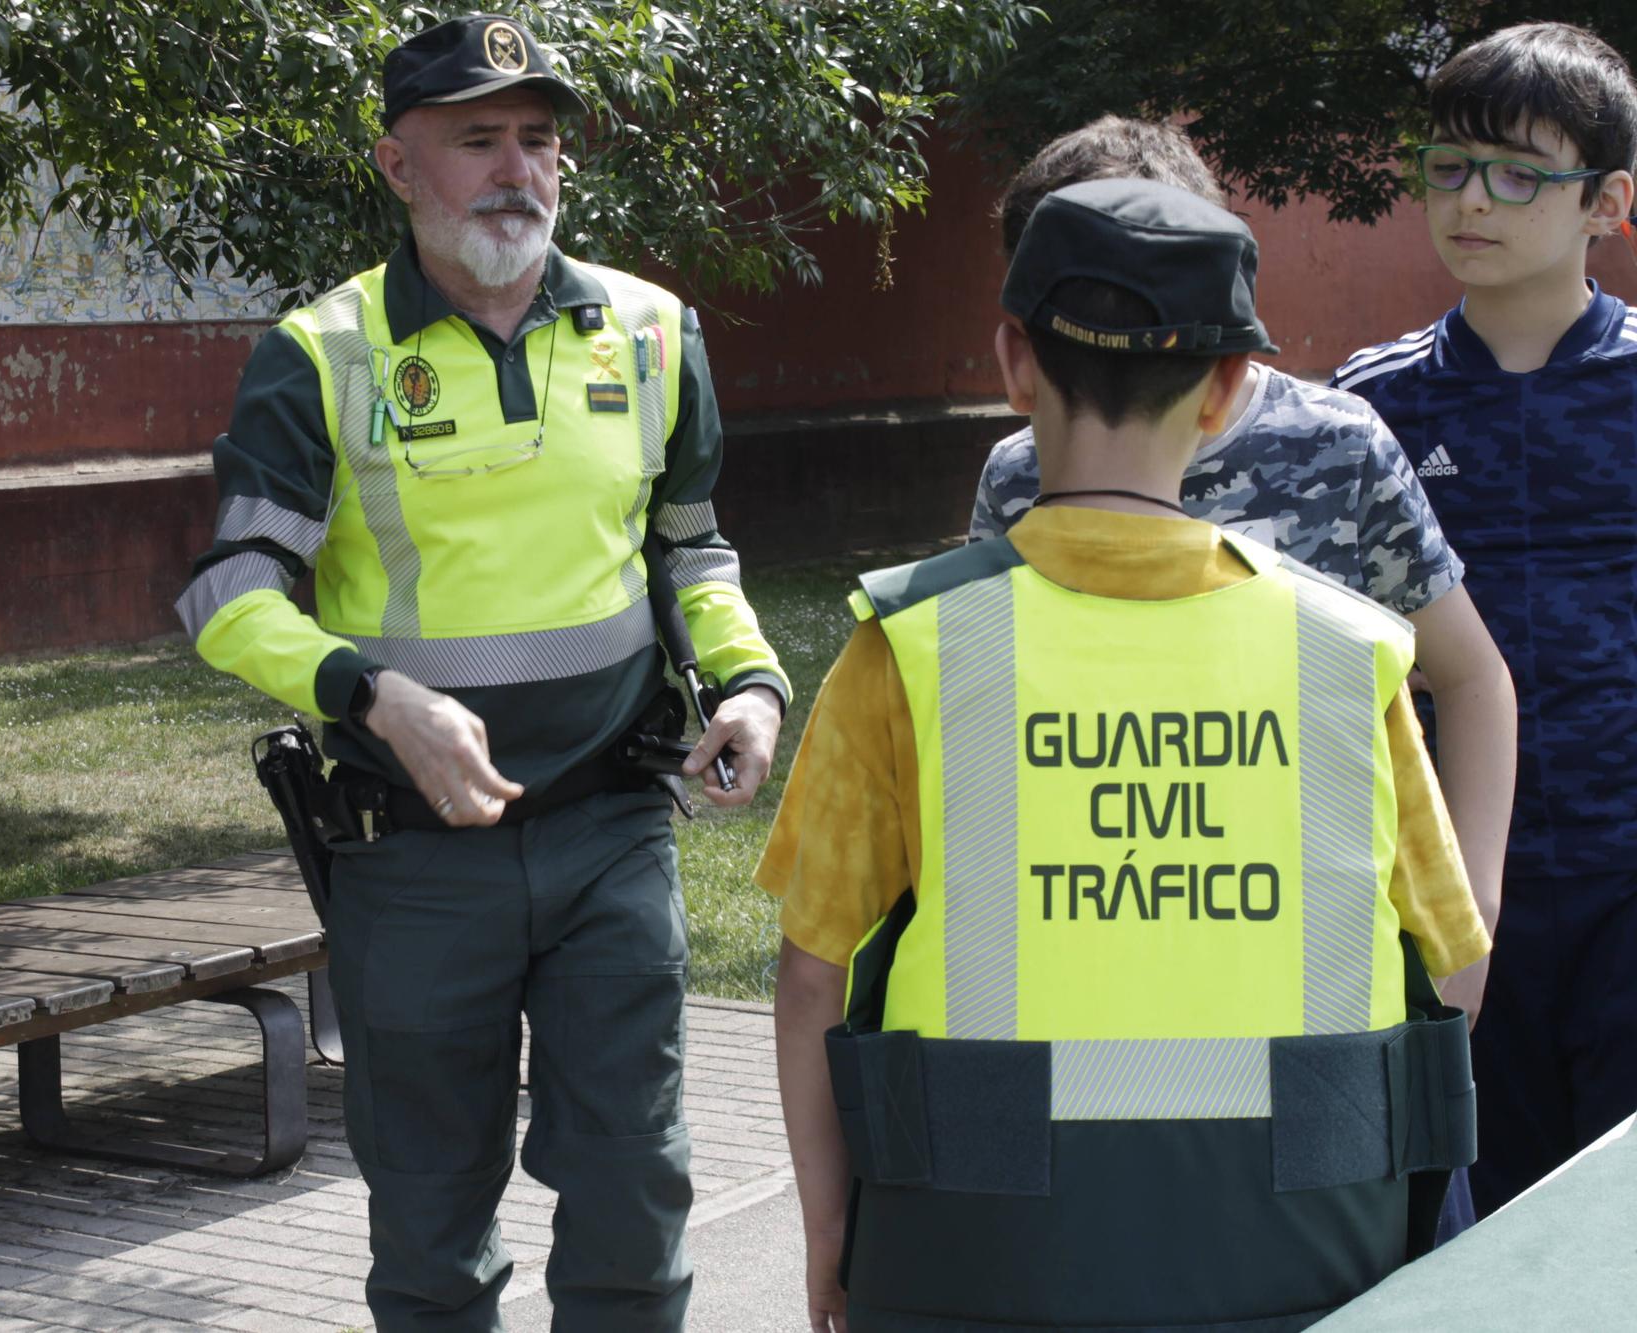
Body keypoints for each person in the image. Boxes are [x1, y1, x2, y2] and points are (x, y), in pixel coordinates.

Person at [760, 179, 1491, 1332]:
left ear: (1012, 361)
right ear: (1226, 388)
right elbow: (1450, 968)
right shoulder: (1348, 654)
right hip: (1306, 1265)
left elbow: (810, 981)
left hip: (974, 1265)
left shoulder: (910, 647)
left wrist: (831, 1239)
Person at [176, 15, 788, 1329]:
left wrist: (748, 685)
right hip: (411, 854)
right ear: (401, 167)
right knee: (431, 1210)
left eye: (539, 140)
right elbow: (227, 596)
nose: (519, 170)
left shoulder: (653, 333)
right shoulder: (320, 354)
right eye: (478, 141)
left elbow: (694, 551)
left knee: (635, 1177)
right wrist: (372, 695)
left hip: (613, 830)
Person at [972, 118, 1513, 1031]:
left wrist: (1469, 919)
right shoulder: (1016, 473)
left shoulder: (1337, 445)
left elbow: (1470, 675)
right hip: (1108, 949)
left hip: (1322, 961)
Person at [1330, 21, 1637, 1219]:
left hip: (1625, 880)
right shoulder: (1368, 407)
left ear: (1605, 202)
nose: (1471, 200)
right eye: (1447, 167)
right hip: (1445, 888)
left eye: (1517, 174)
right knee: (1480, 1224)